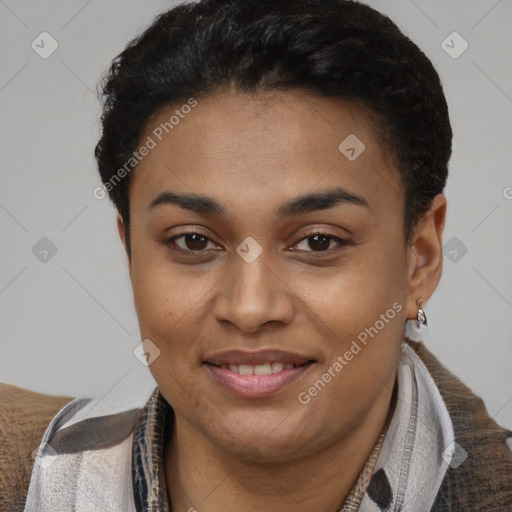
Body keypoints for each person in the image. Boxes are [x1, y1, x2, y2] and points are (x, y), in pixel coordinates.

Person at [1, 0, 511, 510]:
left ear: (418, 259)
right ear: (130, 250)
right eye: (193, 241)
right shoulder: (22, 479)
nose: (249, 308)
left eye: (318, 241)